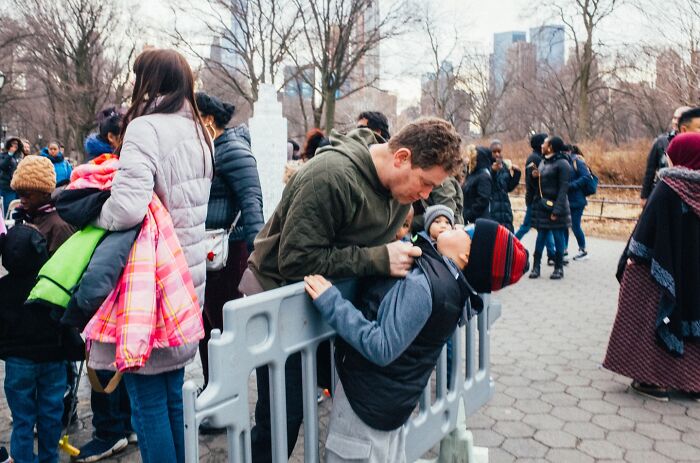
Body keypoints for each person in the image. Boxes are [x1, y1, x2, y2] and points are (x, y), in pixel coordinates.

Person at [239, 117, 463, 463]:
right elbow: (295, 260)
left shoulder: (399, 186)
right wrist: (377, 259)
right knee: (283, 417)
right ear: (401, 157)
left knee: (333, 397)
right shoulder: (330, 177)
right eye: (424, 184)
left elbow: (424, 213)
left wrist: (436, 220)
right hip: (281, 304)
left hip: (327, 306)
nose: (424, 195)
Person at [304, 219, 528, 463]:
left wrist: (331, 302)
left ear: (466, 255)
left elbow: (382, 346)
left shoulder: (426, 285)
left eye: (465, 231)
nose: (454, 227)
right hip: (389, 404)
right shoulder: (452, 290)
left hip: (366, 401)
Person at [86, 48, 213, 463]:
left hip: (150, 283)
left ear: (149, 81)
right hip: (186, 280)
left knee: (145, 400)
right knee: (172, 393)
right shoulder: (199, 130)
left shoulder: (145, 129)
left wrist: (91, 214)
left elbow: (126, 208)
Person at [604, 132, 700, 402]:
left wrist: (630, 259)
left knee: (647, 319)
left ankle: (651, 381)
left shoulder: (670, 184)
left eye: (672, 151)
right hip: (692, 276)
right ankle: (691, 384)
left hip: (657, 268)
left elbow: (647, 227)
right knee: (690, 321)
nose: (668, 155)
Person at [1, 156, 83, 463]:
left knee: (38, 413)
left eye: (29, 193)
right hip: (48, 345)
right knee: (42, 414)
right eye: (19, 192)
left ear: (45, 192)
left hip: (49, 337)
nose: (23, 198)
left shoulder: (59, 226)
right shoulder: (26, 218)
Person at [74, 106, 138, 462]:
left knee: (106, 348)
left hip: (111, 272)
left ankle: (112, 429)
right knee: (119, 347)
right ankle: (121, 425)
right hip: (126, 270)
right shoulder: (112, 169)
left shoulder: (108, 171)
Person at [196, 92, 264, 390]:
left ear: (208, 118)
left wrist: (256, 256)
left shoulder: (233, 151)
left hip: (227, 252)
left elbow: (252, 202)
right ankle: (214, 390)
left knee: (223, 327)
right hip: (209, 252)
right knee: (206, 328)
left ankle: (228, 394)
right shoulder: (211, 151)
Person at [529, 136, 572, 280]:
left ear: (551, 147)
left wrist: (557, 210)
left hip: (556, 208)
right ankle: (536, 267)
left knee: (558, 237)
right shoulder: (542, 162)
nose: (542, 145)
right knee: (540, 237)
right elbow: (540, 186)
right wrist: (535, 177)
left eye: (545, 143)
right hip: (543, 206)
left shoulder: (563, 164)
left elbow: (563, 189)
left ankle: (558, 268)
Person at [640, 106, 692, 205]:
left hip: (689, 198)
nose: (676, 122)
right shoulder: (661, 142)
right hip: (664, 194)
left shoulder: (696, 142)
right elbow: (650, 171)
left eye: (680, 118)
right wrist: (645, 196)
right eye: (674, 118)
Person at [488, 140, 521, 232]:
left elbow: (509, 187)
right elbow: (489, 183)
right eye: (494, 152)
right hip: (493, 207)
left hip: (505, 207)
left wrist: (517, 174)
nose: (497, 154)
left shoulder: (505, 166)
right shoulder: (487, 166)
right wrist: (493, 171)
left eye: (499, 151)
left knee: (507, 236)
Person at [566, 145, 590, 261]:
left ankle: (583, 250)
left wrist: (572, 185)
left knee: (575, 226)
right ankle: (563, 250)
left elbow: (586, 176)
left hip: (578, 200)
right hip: (568, 200)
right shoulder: (566, 162)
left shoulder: (577, 161)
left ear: (569, 151)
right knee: (565, 226)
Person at [462, 145, 493, 224]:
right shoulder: (472, 174)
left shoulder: (483, 177)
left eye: (471, 158)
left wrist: (468, 214)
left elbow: (483, 200)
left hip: (479, 221)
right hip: (469, 220)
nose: (468, 160)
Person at [0, 136, 23, 214]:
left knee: (17, 208)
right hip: (6, 187)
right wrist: (10, 154)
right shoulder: (3, 155)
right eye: (13, 144)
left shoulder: (18, 156)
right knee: (8, 208)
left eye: (16, 144)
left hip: (17, 187)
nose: (14, 146)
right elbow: (2, 166)